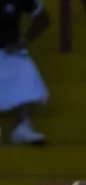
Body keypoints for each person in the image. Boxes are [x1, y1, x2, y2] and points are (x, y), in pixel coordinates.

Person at [0, 0, 49, 145]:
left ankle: (23, 127)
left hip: (10, 51)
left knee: (25, 67)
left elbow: (43, 18)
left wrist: (24, 41)